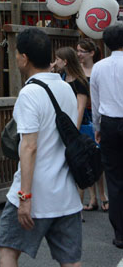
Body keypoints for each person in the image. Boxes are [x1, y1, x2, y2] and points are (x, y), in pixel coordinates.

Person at [0, 27, 82, 267]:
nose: (15, 58)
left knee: (8, 251)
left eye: (16, 53)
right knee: (71, 261)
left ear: (24, 58)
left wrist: (24, 197)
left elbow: (29, 147)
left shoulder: (30, 93)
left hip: (34, 192)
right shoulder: (66, 89)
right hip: (66, 194)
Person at [90, 22, 123, 250]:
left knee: (114, 178)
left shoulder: (98, 68)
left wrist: (97, 127)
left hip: (109, 123)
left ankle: (120, 233)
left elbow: (96, 101)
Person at [76, 38, 108, 213]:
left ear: (92, 53)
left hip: (96, 115)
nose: (79, 54)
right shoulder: (76, 71)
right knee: (85, 157)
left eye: (82, 51)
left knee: (97, 156)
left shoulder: (99, 69)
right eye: (77, 51)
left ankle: (102, 194)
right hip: (81, 116)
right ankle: (93, 197)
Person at [52, 46, 89, 128]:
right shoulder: (62, 76)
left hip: (76, 123)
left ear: (65, 62)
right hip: (64, 121)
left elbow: (80, 108)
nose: (55, 62)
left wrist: (76, 129)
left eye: (57, 59)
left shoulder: (80, 81)